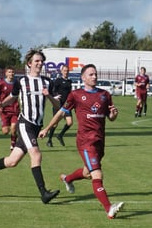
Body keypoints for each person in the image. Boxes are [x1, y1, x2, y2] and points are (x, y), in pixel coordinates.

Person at [0, 50, 60, 204]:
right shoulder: (20, 82)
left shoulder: (48, 82)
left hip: (36, 126)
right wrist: (1, 103)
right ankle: (44, 193)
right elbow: (13, 97)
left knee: (12, 161)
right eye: (37, 61)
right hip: (25, 124)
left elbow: (57, 105)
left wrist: (48, 95)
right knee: (36, 154)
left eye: (41, 61)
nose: (40, 64)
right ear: (29, 63)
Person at [39, 63, 124, 219]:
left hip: (100, 141)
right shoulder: (75, 95)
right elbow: (61, 113)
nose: (94, 77)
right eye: (91, 74)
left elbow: (110, 118)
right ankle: (109, 208)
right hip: (85, 141)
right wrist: (47, 128)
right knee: (97, 174)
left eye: (95, 74)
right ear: (83, 77)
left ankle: (68, 178)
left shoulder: (105, 95)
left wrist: (114, 114)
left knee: (87, 172)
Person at [46, 63, 74, 147]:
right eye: (64, 71)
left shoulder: (69, 81)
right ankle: (49, 140)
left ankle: (60, 135)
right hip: (58, 105)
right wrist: (55, 96)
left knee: (70, 123)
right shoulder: (58, 80)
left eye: (67, 71)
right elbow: (53, 90)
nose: (66, 72)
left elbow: (70, 93)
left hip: (66, 105)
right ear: (61, 71)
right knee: (55, 124)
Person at [0, 68, 18, 148]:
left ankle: (13, 145)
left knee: (13, 128)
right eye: (9, 72)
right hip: (4, 110)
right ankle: (3, 123)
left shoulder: (17, 83)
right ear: (6, 73)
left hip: (15, 109)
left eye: (13, 72)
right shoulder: (1, 83)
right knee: (5, 132)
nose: (11, 73)